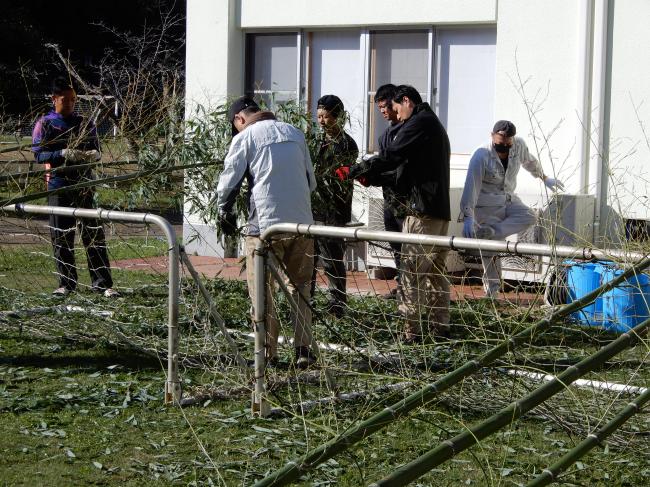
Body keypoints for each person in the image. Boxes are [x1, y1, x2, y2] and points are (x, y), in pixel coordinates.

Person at [216, 96, 318, 367]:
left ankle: (265, 353)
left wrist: (223, 211)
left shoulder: (246, 137)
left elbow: (229, 180)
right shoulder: (295, 132)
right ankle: (304, 351)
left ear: (239, 119)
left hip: (264, 227)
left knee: (262, 290)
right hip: (302, 224)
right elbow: (311, 181)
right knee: (301, 288)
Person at [349, 85, 451, 342]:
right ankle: (440, 327)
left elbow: (394, 155)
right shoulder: (431, 124)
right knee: (435, 274)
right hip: (437, 210)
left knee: (411, 272)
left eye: (395, 109)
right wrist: (371, 176)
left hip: (422, 212)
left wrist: (362, 167)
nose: (396, 116)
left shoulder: (420, 122)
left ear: (406, 101)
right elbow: (401, 169)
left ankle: (410, 334)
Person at [32, 76, 118, 298]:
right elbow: (39, 155)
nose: (70, 103)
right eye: (65, 99)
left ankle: (102, 283)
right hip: (58, 185)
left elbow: (96, 149)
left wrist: (92, 155)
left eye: (73, 99)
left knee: (93, 234)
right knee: (62, 236)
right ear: (54, 99)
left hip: (85, 185)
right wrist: (61, 153)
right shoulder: (45, 124)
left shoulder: (84, 123)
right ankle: (66, 283)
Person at [460, 120, 564, 298]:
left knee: (529, 216)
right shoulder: (481, 155)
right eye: (500, 143)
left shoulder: (519, 145)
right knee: (490, 250)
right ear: (492, 136)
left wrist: (544, 178)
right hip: (487, 204)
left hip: (508, 198)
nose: (504, 148)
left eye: (508, 144)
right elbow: (472, 186)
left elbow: (530, 162)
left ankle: (492, 232)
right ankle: (491, 292)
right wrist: (468, 215)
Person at [311, 95, 359, 317]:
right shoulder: (316, 142)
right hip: (314, 206)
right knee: (309, 257)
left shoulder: (346, 144)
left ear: (337, 117)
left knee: (331, 257)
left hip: (334, 209)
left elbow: (338, 175)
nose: (321, 121)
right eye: (319, 116)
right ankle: (307, 299)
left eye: (326, 116)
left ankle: (338, 303)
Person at [373, 84, 405, 298]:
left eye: (386, 106)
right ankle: (402, 285)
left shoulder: (409, 129)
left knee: (409, 246)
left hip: (407, 200)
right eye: (380, 108)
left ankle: (410, 289)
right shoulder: (385, 136)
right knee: (395, 245)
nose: (384, 111)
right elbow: (384, 165)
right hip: (389, 198)